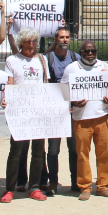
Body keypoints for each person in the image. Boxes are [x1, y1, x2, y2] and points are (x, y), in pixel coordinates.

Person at [61, 41, 108, 200]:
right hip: (81, 119)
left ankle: (103, 186)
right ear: (80, 52)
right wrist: (73, 102)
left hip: (101, 116)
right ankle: (85, 187)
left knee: (104, 153)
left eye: (93, 51)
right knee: (82, 154)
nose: (90, 54)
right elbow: (63, 91)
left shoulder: (104, 67)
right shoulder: (71, 69)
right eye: (87, 51)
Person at [1, 28, 50, 203]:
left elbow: (46, 85)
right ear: (21, 42)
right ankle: (10, 188)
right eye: (28, 41)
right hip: (19, 112)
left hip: (38, 112)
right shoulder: (12, 60)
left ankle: (34, 187)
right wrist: (7, 102)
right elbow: (9, 85)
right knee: (16, 151)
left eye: (34, 41)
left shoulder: (42, 60)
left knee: (38, 151)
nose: (31, 44)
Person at [41, 26, 79, 196]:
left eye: (67, 37)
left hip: (72, 109)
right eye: (61, 37)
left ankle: (75, 181)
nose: (64, 40)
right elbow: (47, 85)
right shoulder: (48, 58)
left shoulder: (75, 58)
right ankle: (53, 182)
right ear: (55, 39)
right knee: (53, 149)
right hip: (55, 110)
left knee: (74, 148)